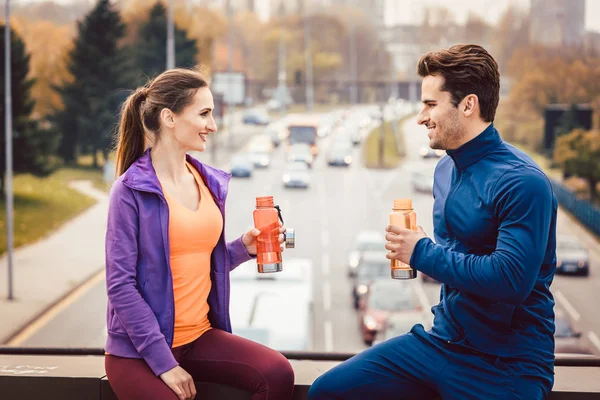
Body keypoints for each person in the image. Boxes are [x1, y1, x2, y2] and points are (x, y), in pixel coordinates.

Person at [309, 44, 557, 399]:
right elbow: (462, 253)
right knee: (327, 391)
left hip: (506, 364)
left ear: (468, 105)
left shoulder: (523, 182)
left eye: (430, 104)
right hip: (441, 342)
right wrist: (424, 247)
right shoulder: (444, 169)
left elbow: (511, 280)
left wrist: (422, 252)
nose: (421, 116)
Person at [104, 67, 295, 400]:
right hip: (137, 353)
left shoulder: (208, 181)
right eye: (204, 114)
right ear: (169, 118)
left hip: (199, 337)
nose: (213, 125)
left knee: (278, 372)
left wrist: (243, 248)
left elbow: (201, 257)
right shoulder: (130, 191)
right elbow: (120, 287)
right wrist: (164, 364)